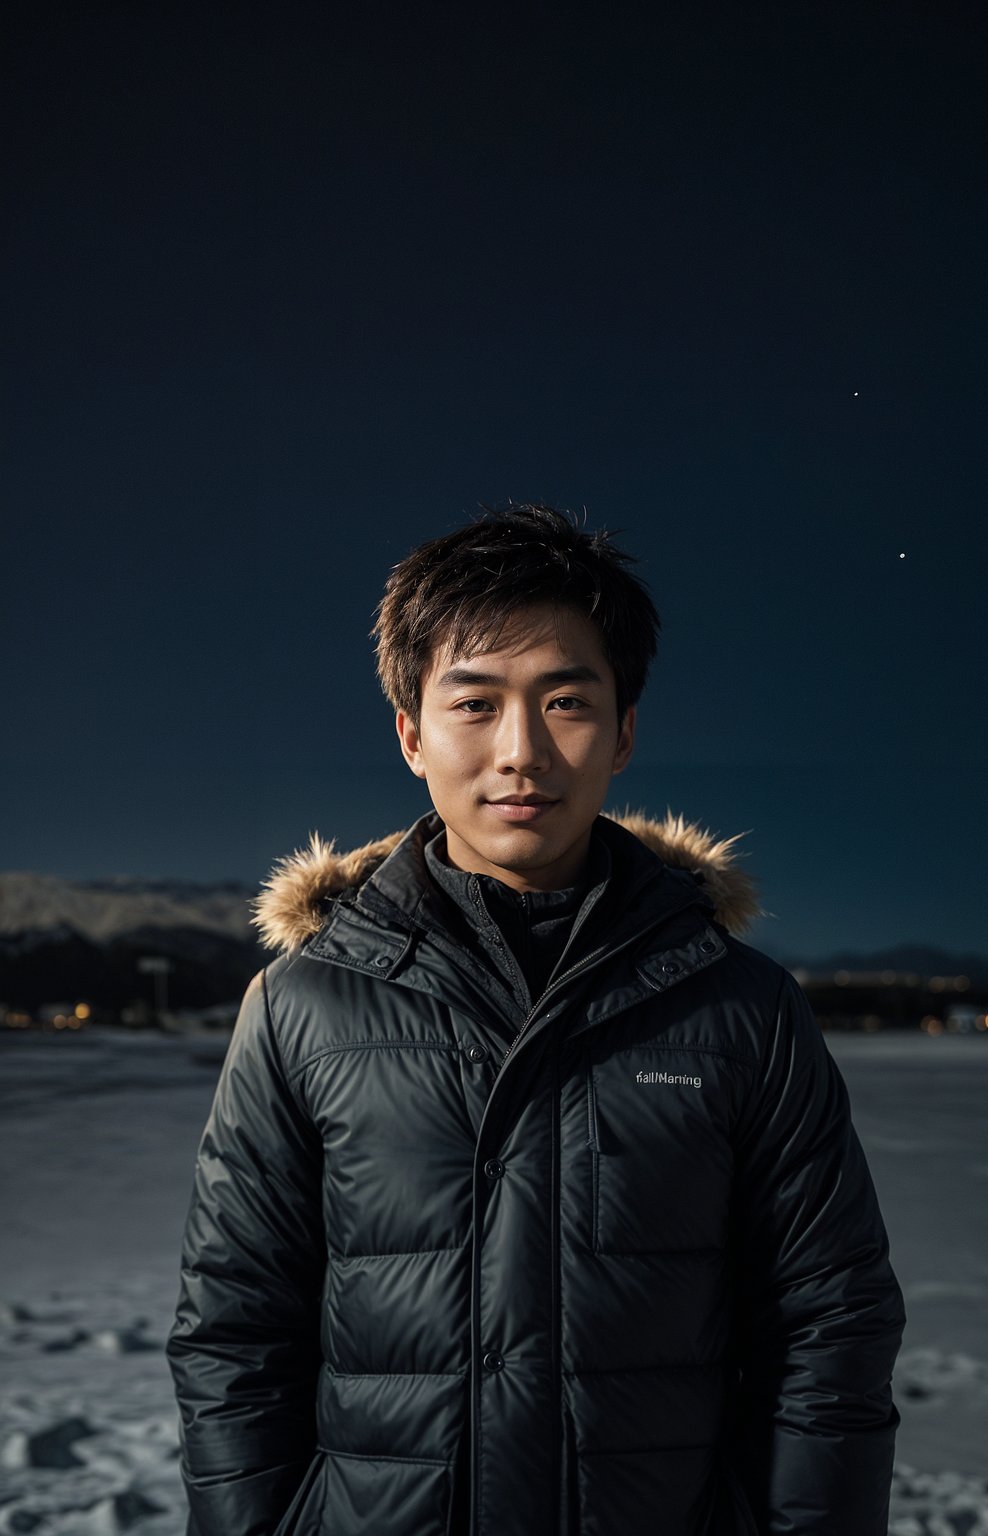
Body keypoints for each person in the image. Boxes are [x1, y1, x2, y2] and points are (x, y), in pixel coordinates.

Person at [166, 502, 905, 1536]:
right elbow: (235, 1330)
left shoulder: (740, 1006)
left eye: (564, 701)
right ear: (411, 734)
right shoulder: (302, 1007)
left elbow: (831, 1321)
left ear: (623, 733)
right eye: (474, 705)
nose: (521, 751)